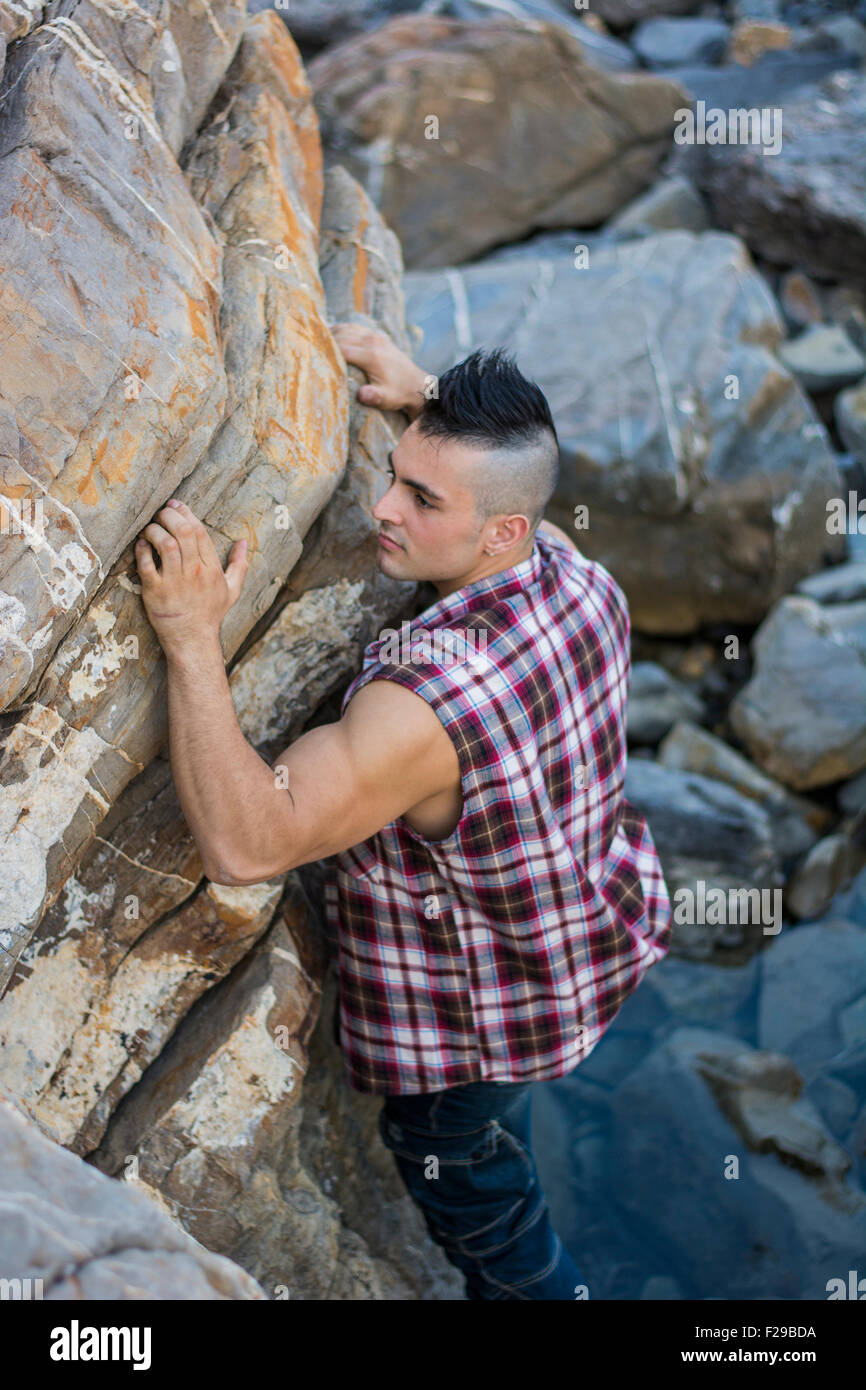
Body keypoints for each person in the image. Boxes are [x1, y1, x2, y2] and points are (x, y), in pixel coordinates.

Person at [134, 326, 672, 1301]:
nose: (382, 507)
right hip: (585, 945)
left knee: (474, 1188)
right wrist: (425, 395)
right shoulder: (580, 578)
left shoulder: (416, 712)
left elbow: (246, 842)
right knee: (498, 1114)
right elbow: (514, 483)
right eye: (394, 477)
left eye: (422, 499)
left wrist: (189, 636)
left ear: (499, 531)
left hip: (480, 1020)